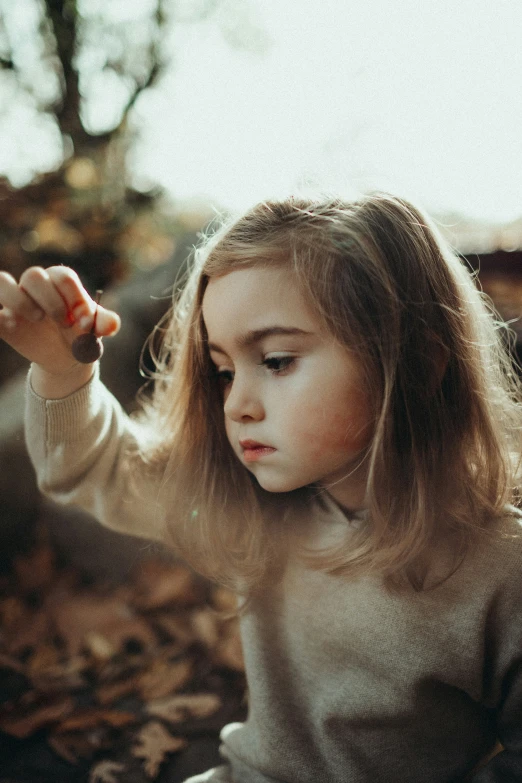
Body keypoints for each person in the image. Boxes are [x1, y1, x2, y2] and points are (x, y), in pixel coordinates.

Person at [1, 193, 521, 782]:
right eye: (224, 371)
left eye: (275, 361)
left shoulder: (505, 573)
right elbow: (97, 469)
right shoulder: (258, 508)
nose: (239, 404)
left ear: (420, 362)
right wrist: (63, 372)